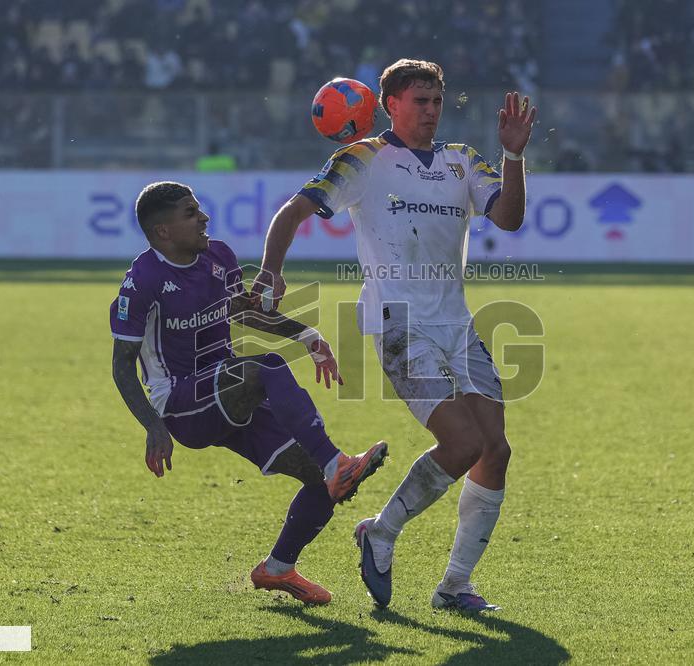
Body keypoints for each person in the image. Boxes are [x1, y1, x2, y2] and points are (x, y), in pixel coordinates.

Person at [254, 59, 536, 612]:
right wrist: (271, 269)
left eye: (436, 101)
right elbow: (293, 211)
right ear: (391, 105)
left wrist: (514, 155)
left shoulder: (462, 161)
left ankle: (455, 587)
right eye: (419, 101)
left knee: (496, 450)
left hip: (456, 325)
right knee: (464, 444)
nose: (431, 111)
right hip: (398, 325)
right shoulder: (363, 159)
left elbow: (508, 218)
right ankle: (380, 533)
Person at [110, 181, 388, 605]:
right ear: (163, 232)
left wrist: (307, 335)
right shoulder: (142, 281)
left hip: (228, 391)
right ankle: (338, 462)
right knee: (267, 368)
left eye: (200, 209)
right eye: (191, 213)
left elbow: (239, 309)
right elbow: (121, 365)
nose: (204, 218)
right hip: (181, 403)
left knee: (322, 484)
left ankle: (277, 568)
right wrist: (152, 424)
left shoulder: (217, 256)